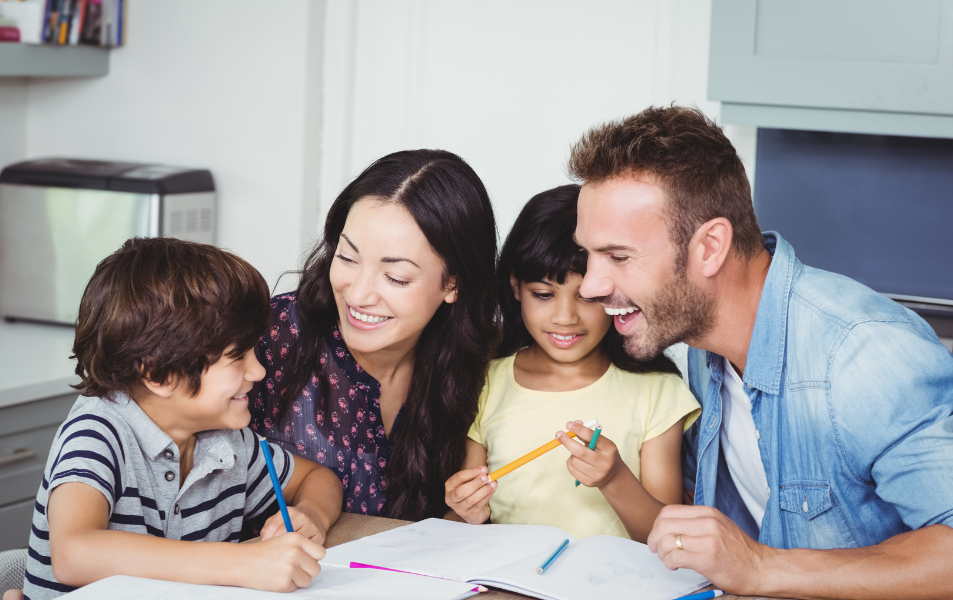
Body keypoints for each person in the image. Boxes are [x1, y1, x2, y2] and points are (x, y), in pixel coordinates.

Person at [569, 105, 953, 598]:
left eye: (619, 257)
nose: (591, 286)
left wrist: (763, 568)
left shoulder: (863, 356)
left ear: (710, 247)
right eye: (589, 254)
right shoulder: (700, 353)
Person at [18, 238, 342, 600]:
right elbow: (74, 553)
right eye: (238, 357)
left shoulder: (227, 440)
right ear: (159, 375)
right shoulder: (98, 432)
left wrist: (311, 514)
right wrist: (241, 563)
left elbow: (317, 478)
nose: (259, 371)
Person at [248, 149, 499, 522]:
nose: (358, 294)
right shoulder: (271, 336)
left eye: (395, 277)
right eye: (347, 258)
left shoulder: (482, 367)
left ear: (452, 284)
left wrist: (464, 514)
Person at [443, 184, 700, 542]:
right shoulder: (486, 381)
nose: (565, 317)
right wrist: (463, 509)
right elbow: (462, 518)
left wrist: (615, 480)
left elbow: (669, 537)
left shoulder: (656, 390)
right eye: (544, 294)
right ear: (516, 287)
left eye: (586, 297)